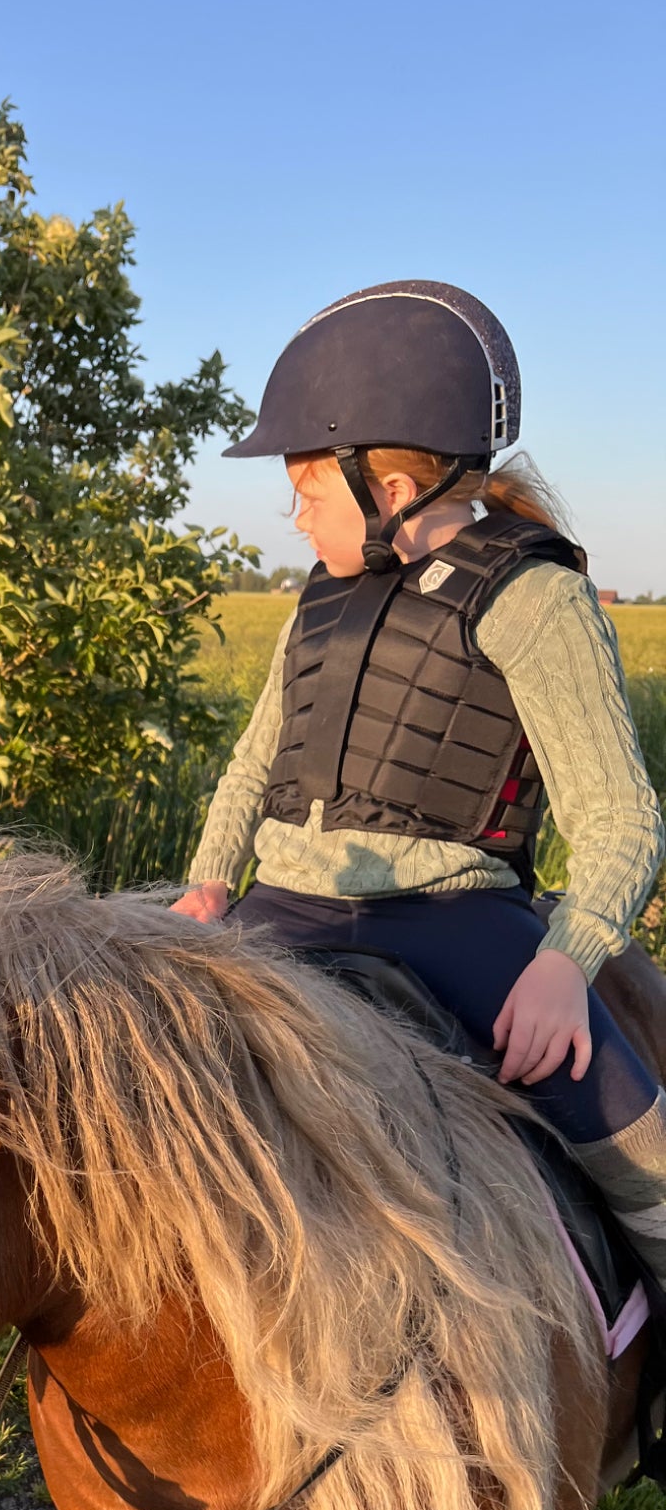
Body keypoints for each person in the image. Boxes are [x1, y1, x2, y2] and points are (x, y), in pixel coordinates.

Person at [173, 280, 666, 1282]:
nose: (296, 519)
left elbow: (620, 820)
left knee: (654, 1162)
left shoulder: (534, 596)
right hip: (283, 912)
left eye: (308, 492)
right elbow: (254, 766)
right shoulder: (319, 599)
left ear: (387, 488)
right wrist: (209, 884)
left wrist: (565, 967)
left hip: (455, 922)